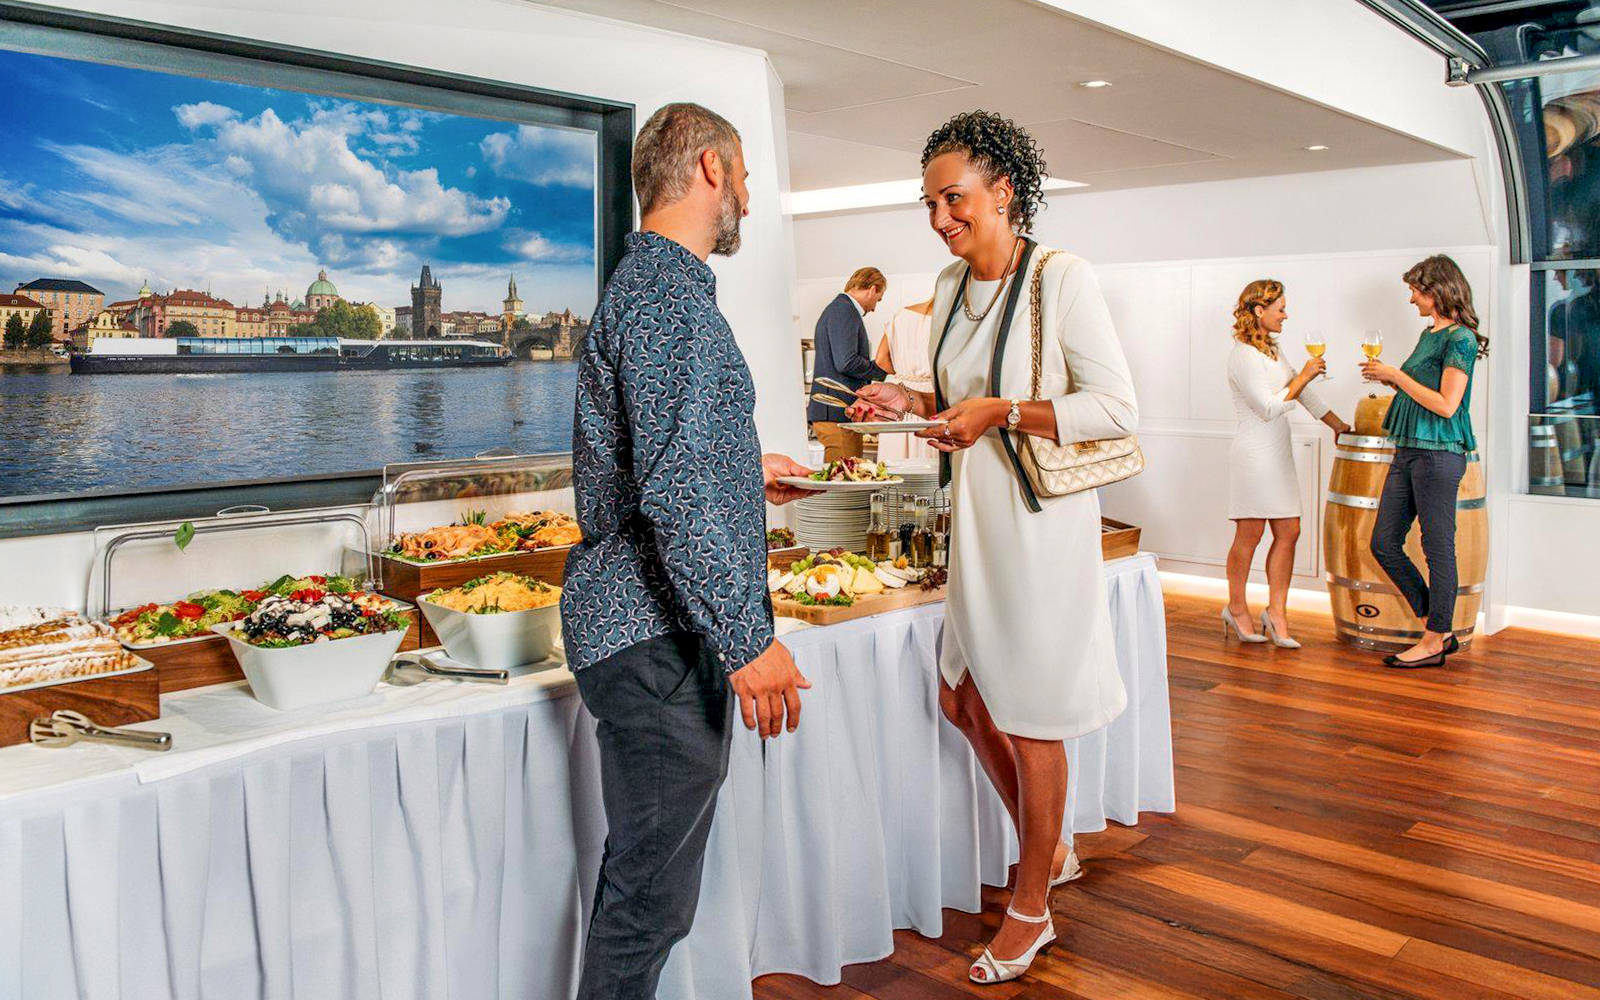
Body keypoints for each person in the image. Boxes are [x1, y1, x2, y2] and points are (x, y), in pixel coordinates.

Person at [848, 111, 1136, 985]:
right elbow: (953, 402)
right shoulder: (946, 286)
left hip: (1039, 527)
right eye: (930, 204)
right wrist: (908, 403)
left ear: (1003, 191)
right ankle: (1049, 848)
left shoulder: (1061, 278)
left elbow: (1116, 409)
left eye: (954, 198)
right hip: (972, 521)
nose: (940, 218)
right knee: (963, 698)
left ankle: (1032, 906)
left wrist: (1004, 413)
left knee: (1033, 716)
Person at [561, 102, 813, 1000]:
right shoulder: (668, 299)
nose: (746, 193)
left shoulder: (654, 290)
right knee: (649, 907)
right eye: (742, 173)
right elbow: (673, 489)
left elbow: (666, 462)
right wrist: (747, 640)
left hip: (641, 633)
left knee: (644, 891)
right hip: (656, 638)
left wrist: (745, 466)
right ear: (711, 167)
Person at [1361, 254, 1487, 669]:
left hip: (1439, 453)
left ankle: (1433, 639)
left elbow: (1447, 405)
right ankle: (1438, 629)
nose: (1412, 298)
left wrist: (1396, 376)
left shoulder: (1461, 339)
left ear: (1437, 291)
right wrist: (1391, 379)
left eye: (1416, 291)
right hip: (1408, 450)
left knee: (1437, 549)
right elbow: (1421, 391)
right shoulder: (1428, 333)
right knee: (1383, 543)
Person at [1222, 280, 1350, 647]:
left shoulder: (1272, 349)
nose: (1286, 315)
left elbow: (1301, 392)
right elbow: (1267, 408)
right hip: (1253, 455)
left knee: (1289, 531)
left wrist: (1338, 425)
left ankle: (1276, 612)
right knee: (1250, 533)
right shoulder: (1243, 355)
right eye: (1280, 309)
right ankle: (1236, 608)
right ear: (1259, 310)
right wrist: (1305, 375)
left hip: (1277, 453)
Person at [807, 267, 887, 462]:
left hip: (836, 413)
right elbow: (846, 362)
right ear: (872, 289)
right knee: (846, 477)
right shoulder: (844, 310)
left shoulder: (840, 309)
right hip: (836, 413)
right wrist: (879, 369)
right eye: (878, 300)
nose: (874, 308)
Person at [874, 297, 938, 463]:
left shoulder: (901, 315)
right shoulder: (947, 320)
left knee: (894, 461)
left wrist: (904, 372)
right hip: (929, 396)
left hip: (897, 393)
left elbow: (880, 359)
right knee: (927, 462)